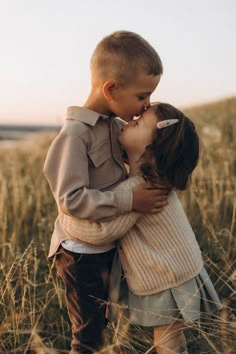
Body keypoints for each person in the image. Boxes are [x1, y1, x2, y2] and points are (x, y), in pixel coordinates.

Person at [62, 103, 222, 354]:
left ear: (152, 149)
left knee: (167, 340)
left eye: (137, 123)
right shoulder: (155, 181)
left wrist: (66, 219)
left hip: (167, 277)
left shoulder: (140, 189)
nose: (131, 120)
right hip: (180, 270)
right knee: (172, 335)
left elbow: (104, 232)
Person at [43, 31, 168, 354]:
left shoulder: (114, 127)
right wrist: (130, 199)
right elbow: (70, 200)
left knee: (110, 322)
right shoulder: (75, 135)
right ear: (111, 89)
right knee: (89, 335)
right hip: (80, 253)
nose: (146, 105)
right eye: (142, 96)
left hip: (108, 243)